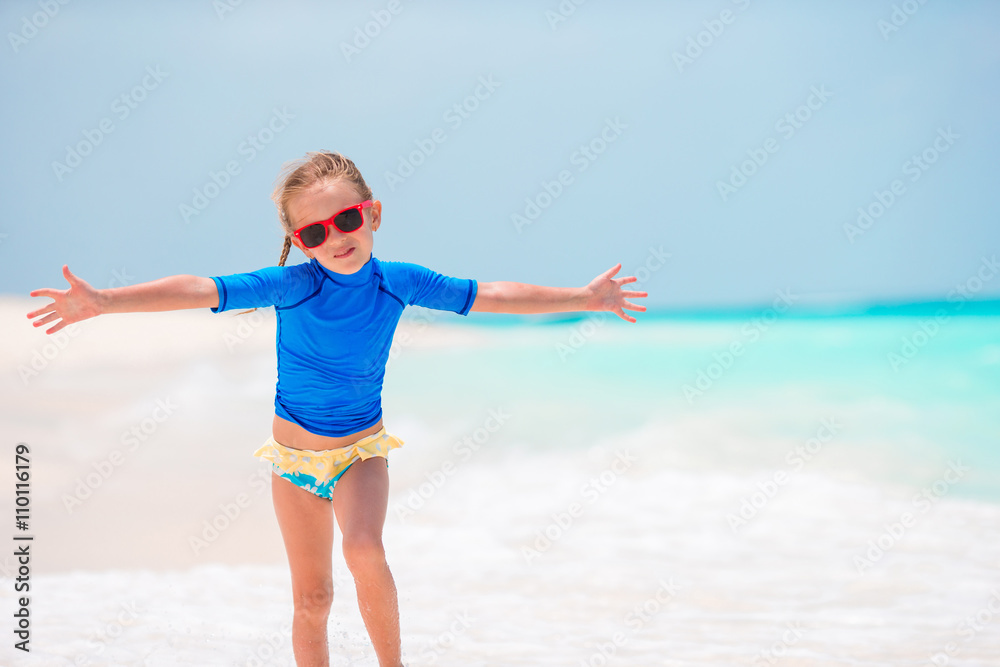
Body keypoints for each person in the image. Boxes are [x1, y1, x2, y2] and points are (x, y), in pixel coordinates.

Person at [25, 151, 648, 667]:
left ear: (372, 213)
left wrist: (584, 297)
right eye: (313, 233)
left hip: (359, 453)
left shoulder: (398, 280)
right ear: (297, 241)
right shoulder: (294, 285)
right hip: (291, 463)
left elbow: (491, 294)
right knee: (312, 601)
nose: (335, 239)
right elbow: (199, 289)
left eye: (346, 219)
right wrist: (104, 300)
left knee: (363, 549)